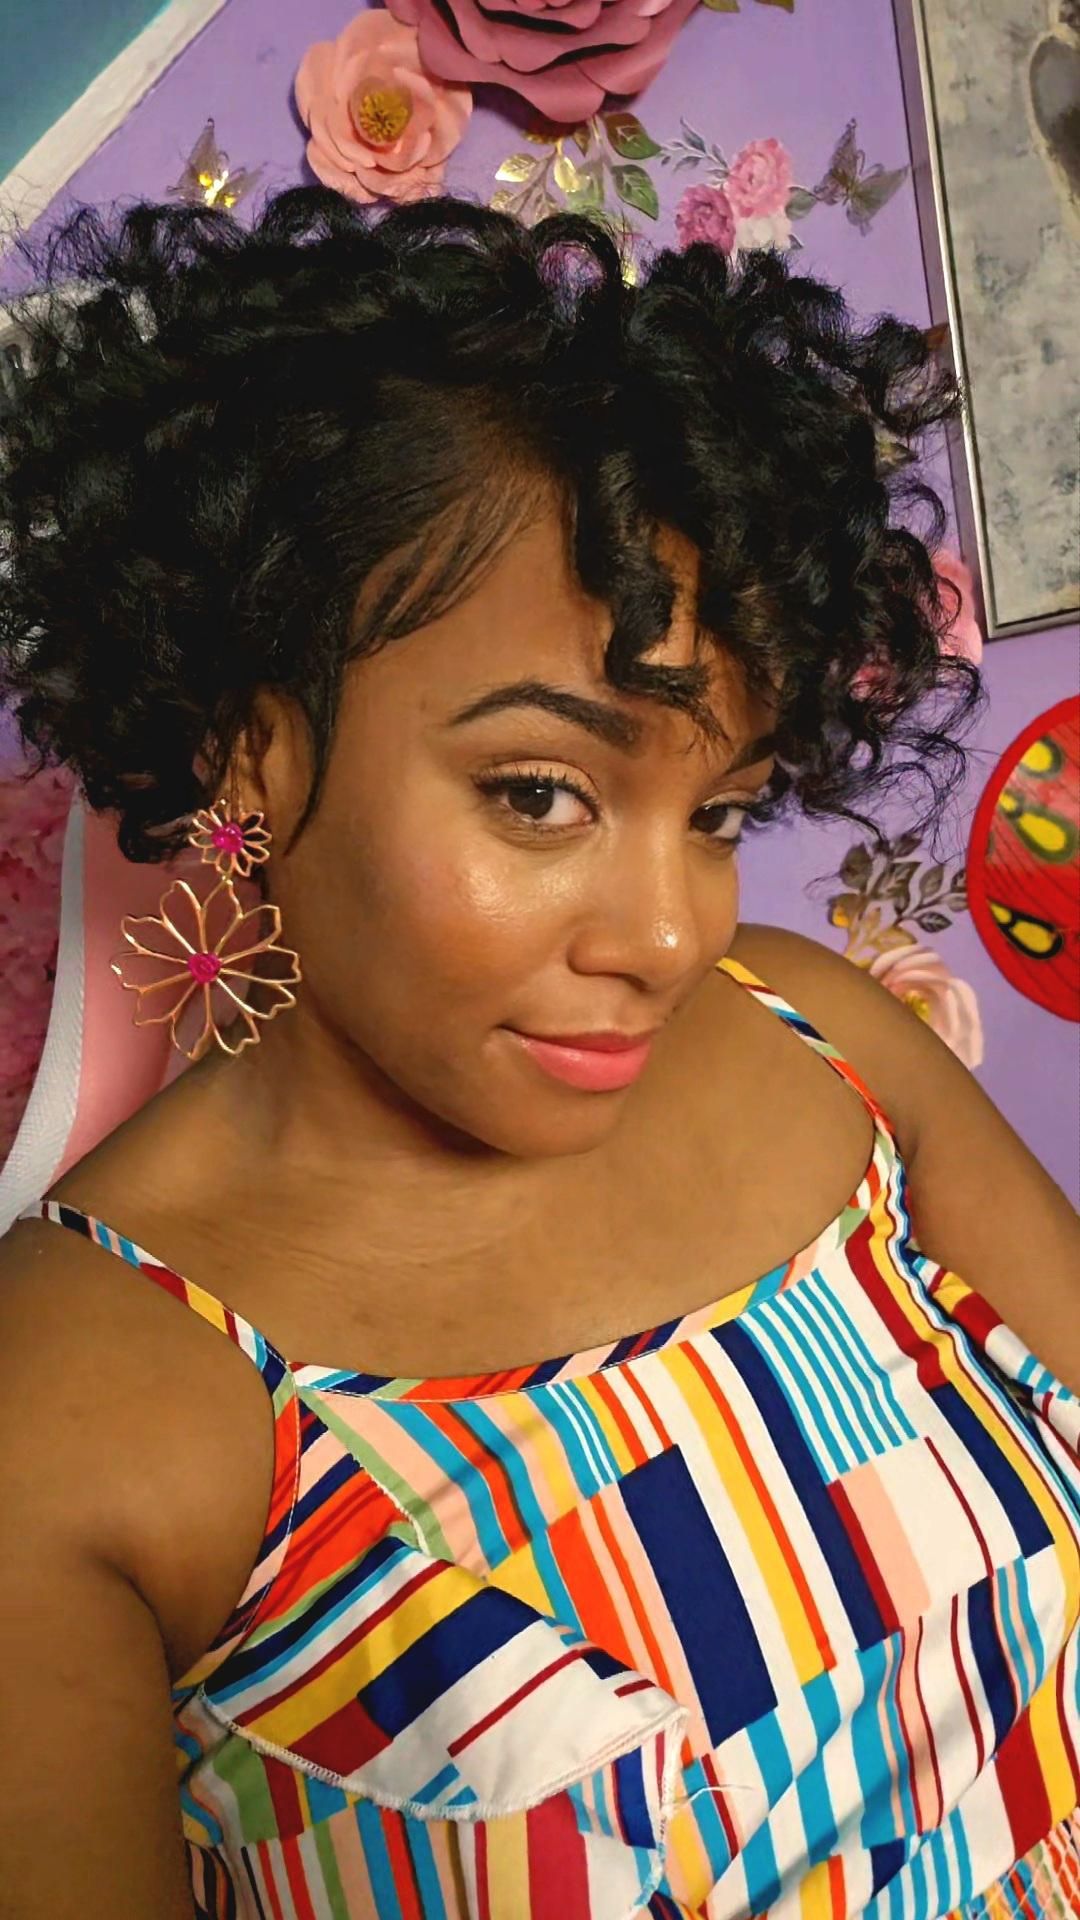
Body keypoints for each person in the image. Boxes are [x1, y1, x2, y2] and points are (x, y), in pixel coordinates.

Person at [0, 188, 1077, 1920]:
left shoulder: (823, 1033)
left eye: (717, 813)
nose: (669, 935)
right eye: (541, 794)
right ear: (248, 739)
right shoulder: (75, 1401)